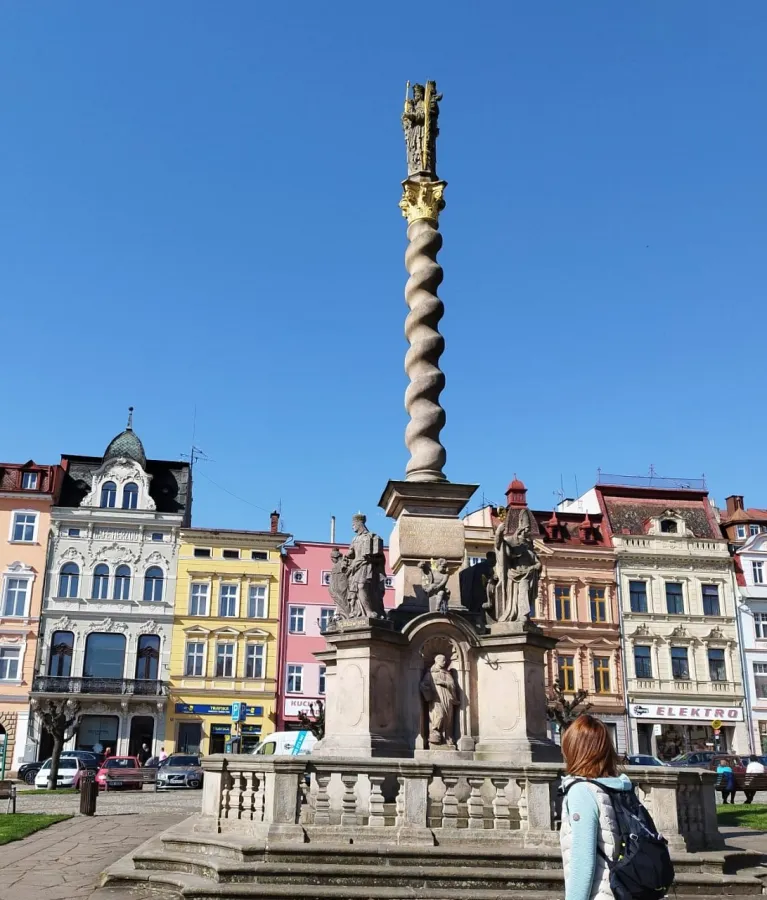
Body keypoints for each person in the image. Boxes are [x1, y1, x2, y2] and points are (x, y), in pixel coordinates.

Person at [560, 714, 633, 900]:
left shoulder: (582, 792)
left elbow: (583, 861)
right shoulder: (618, 788)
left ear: (574, 750)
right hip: (623, 890)